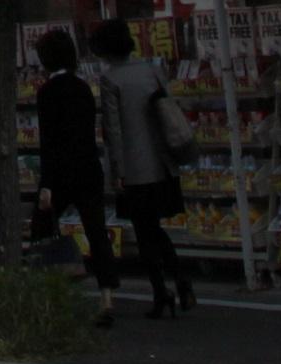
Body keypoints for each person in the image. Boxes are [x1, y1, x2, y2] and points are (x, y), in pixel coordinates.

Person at [86, 19, 195, 316]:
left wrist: (117, 171)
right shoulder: (151, 70)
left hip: (133, 168)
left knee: (144, 231)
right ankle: (181, 281)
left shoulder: (110, 80)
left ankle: (161, 292)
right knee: (155, 227)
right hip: (161, 162)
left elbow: (114, 131)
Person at [30, 30, 116, 314]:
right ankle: (106, 296)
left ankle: (48, 291)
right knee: (96, 232)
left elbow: (50, 142)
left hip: (61, 172)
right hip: (89, 167)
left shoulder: (47, 93)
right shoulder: (82, 88)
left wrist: (46, 184)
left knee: (41, 227)